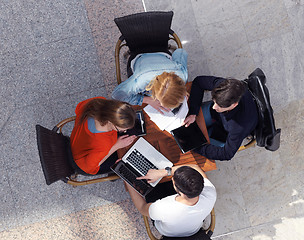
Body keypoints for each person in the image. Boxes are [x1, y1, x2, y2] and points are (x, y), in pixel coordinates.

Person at [124, 164, 216, 238]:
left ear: (177, 189)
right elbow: (195, 168)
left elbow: (142, 207)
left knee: (153, 186)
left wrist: (127, 179)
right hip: (193, 230)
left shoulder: (162, 208)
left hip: (167, 233)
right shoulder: (210, 193)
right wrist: (162, 173)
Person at [183, 76, 258, 160]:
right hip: (217, 117)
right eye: (214, 101)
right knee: (185, 122)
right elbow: (199, 81)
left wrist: (196, 147)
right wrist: (193, 112)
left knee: (191, 151)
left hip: (223, 132)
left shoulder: (239, 127)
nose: (214, 107)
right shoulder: (225, 86)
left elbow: (227, 154)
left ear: (234, 105)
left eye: (220, 105)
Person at [70, 97, 137, 175]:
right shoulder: (103, 144)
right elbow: (90, 167)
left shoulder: (98, 102)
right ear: (111, 122)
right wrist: (116, 146)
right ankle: (114, 173)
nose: (125, 131)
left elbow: (79, 108)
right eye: (121, 129)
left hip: (78, 141)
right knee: (125, 159)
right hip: (81, 164)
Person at [111, 48, 188, 113]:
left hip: (161, 54)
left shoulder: (182, 75)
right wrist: (147, 100)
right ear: (154, 93)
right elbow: (116, 95)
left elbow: (180, 51)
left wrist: (180, 92)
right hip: (139, 57)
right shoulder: (142, 81)